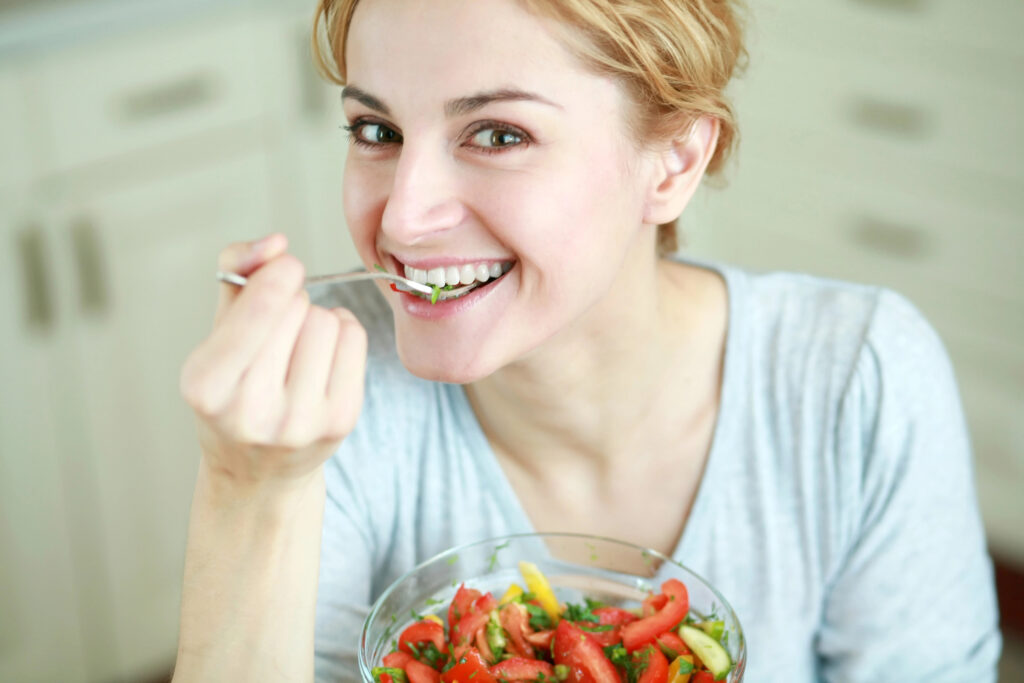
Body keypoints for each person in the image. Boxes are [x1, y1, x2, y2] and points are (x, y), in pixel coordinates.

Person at [171, 0, 1002, 680]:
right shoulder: (326, 406)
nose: (401, 219)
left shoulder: (859, 378)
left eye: (498, 134)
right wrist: (246, 488)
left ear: (673, 160)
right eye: (376, 132)